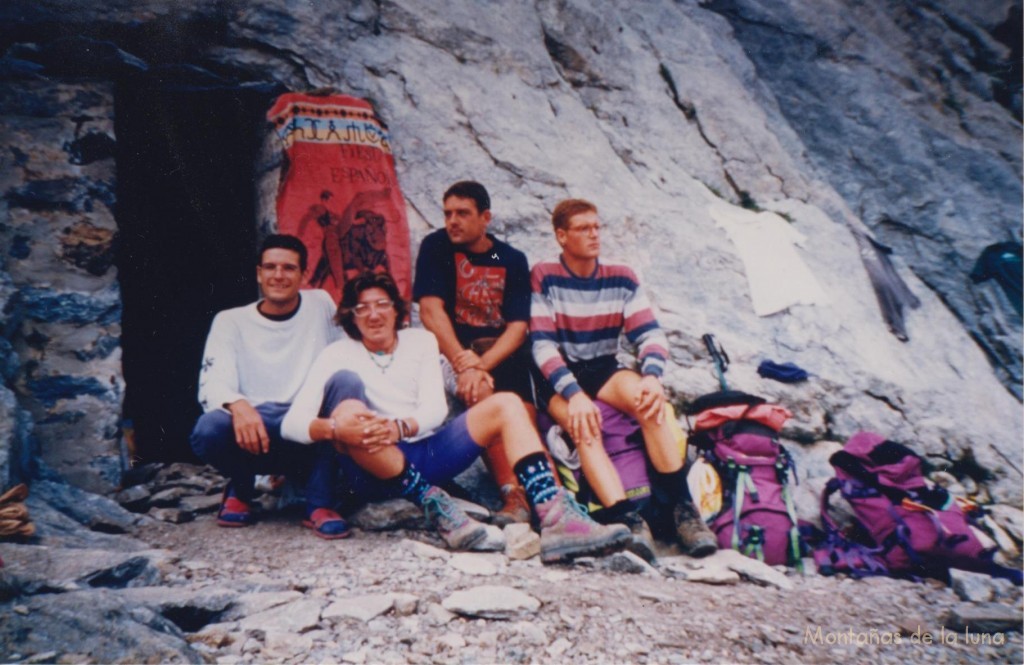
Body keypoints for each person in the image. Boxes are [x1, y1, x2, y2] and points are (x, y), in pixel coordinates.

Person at [281, 271, 631, 562]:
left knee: (507, 404)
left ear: (396, 310)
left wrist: (400, 427)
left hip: (426, 452)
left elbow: (434, 410)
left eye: (382, 305)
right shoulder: (336, 353)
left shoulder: (420, 341)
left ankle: (555, 515)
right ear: (351, 317)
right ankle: (435, 505)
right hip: (372, 465)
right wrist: (338, 429)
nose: (373, 315)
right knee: (351, 414)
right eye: (362, 308)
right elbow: (291, 425)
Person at [530, 198, 717, 557]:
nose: (594, 235)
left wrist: (651, 376)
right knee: (582, 422)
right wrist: (574, 395)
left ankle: (683, 510)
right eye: (583, 229)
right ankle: (626, 518)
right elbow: (542, 347)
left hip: (601, 365)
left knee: (650, 403)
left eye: (597, 227)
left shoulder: (621, 276)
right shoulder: (544, 274)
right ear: (561, 236)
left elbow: (651, 335)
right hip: (555, 375)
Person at [190, 234, 349, 539]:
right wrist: (237, 405)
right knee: (209, 428)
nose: (278, 275)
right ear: (258, 273)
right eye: (270, 267)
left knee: (346, 382)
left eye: (289, 268)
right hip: (255, 432)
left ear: (303, 275)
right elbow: (213, 383)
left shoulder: (321, 305)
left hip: (306, 430)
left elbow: (345, 358)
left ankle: (319, 502)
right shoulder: (230, 321)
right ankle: (242, 485)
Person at [413, 181, 533, 525]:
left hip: (497, 356)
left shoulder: (506, 257)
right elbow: (431, 312)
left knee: (523, 416)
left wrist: (480, 364)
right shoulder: (437, 247)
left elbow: (517, 327)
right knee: (480, 392)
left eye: (462, 214)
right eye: (448, 213)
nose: (452, 221)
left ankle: (545, 499)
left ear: (485, 218)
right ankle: (514, 497)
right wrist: (464, 364)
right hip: (452, 355)